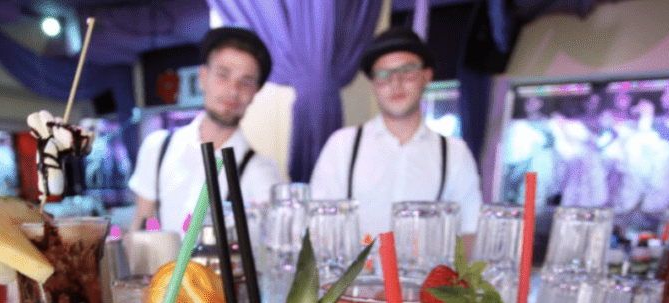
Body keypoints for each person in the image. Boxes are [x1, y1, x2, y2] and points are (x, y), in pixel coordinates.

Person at [309, 27, 482, 246]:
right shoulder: (342, 145)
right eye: (383, 74)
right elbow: (317, 225)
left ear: (426, 76)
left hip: (428, 269)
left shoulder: (455, 153)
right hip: (355, 269)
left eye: (407, 71)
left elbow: (469, 231)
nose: (395, 82)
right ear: (374, 84)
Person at [128, 27, 284, 236]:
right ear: (203, 76)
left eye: (245, 82)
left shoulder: (261, 172)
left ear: (256, 92)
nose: (233, 90)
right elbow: (141, 224)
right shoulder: (157, 147)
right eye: (223, 75)